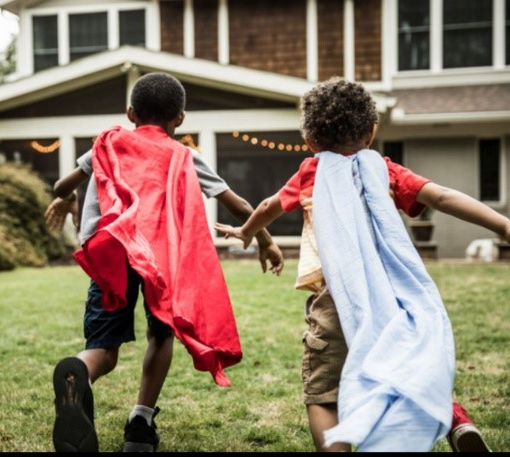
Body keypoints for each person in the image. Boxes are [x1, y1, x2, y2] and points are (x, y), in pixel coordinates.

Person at [215, 77, 507, 452]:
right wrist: (502, 224)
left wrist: (245, 232)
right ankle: (456, 421)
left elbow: (270, 205)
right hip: (393, 293)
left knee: (323, 394)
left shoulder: (312, 173)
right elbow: (443, 197)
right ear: (372, 132)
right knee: (407, 361)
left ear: (309, 140)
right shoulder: (385, 171)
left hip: (336, 297)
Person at [45, 71, 284, 453]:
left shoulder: (109, 143)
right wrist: (266, 242)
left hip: (115, 252)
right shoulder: (186, 155)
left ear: (130, 113)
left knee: (104, 349)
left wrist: (68, 197)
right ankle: (140, 422)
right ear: (180, 119)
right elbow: (238, 204)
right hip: (163, 259)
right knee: (161, 335)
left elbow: (60, 187)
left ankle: (79, 371)